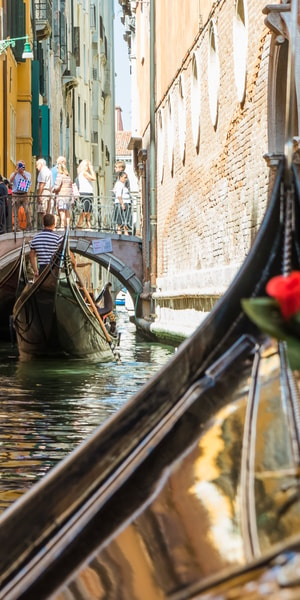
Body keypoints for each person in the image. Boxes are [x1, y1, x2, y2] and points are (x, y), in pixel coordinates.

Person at [29, 213, 64, 278]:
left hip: (42, 269)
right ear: (54, 224)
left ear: (43, 224)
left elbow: (31, 255)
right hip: (54, 270)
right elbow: (65, 253)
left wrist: (36, 270)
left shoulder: (36, 238)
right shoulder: (58, 238)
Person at [9, 160, 32, 229]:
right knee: (15, 211)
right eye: (19, 165)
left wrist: (23, 175)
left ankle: (29, 225)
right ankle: (16, 227)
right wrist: (15, 174)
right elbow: (10, 181)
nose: (20, 167)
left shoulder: (27, 174)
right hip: (16, 194)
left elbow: (29, 182)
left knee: (27, 210)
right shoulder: (13, 174)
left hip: (24, 194)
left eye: (22, 166)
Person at [76, 159, 96, 229]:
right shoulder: (84, 173)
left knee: (89, 209)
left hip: (89, 192)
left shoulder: (84, 173)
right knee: (85, 209)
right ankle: (80, 223)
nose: (89, 167)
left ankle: (88, 223)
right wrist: (92, 169)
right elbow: (94, 178)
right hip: (85, 193)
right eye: (88, 165)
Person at [52, 162, 73, 229]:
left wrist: (53, 190)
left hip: (62, 196)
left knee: (62, 211)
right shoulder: (68, 176)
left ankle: (62, 226)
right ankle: (67, 226)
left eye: (57, 168)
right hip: (68, 196)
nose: (57, 169)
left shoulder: (60, 175)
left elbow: (57, 187)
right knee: (67, 211)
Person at [36, 158, 53, 228]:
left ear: (41, 164)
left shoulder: (43, 171)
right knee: (47, 211)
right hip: (48, 192)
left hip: (44, 192)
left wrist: (39, 195)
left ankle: (45, 227)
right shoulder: (49, 171)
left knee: (42, 211)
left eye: (37, 165)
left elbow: (42, 184)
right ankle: (48, 226)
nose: (36, 167)